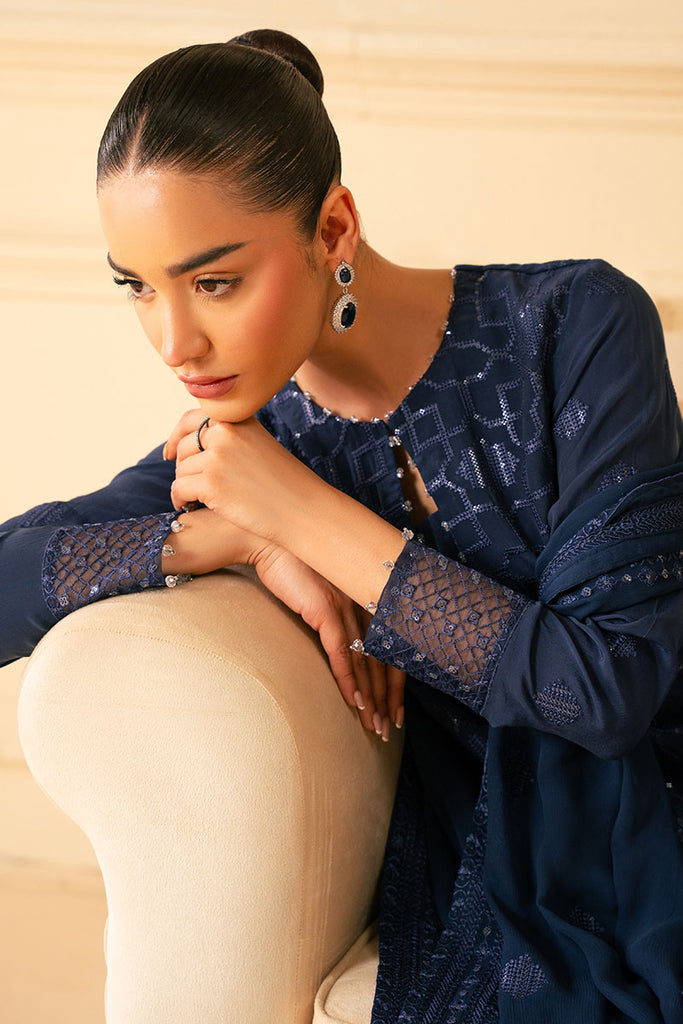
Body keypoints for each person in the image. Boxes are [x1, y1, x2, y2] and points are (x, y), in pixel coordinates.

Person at [1, 27, 682, 1023]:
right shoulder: (246, 445)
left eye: (214, 282)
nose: (175, 341)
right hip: (483, 856)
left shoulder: (575, 324)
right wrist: (238, 537)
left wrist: (301, 514)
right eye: (137, 287)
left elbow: (608, 690)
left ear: (331, 230)